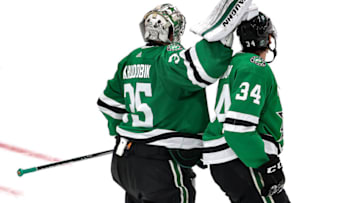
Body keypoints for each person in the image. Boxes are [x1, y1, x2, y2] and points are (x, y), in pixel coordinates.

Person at [97, 2, 252, 203]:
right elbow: (205, 65)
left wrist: (126, 135)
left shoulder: (130, 60)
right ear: (172, 31)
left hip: (124, 161)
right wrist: (222, 38)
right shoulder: (168, 58)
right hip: (160, 165)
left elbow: (108, 104)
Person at [202, 12, 291, 203]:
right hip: (243, 157)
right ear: (267, 38)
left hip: (231, 159)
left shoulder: (234, 63)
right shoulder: (254, 67)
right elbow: (238, 129)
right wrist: (265, 164)